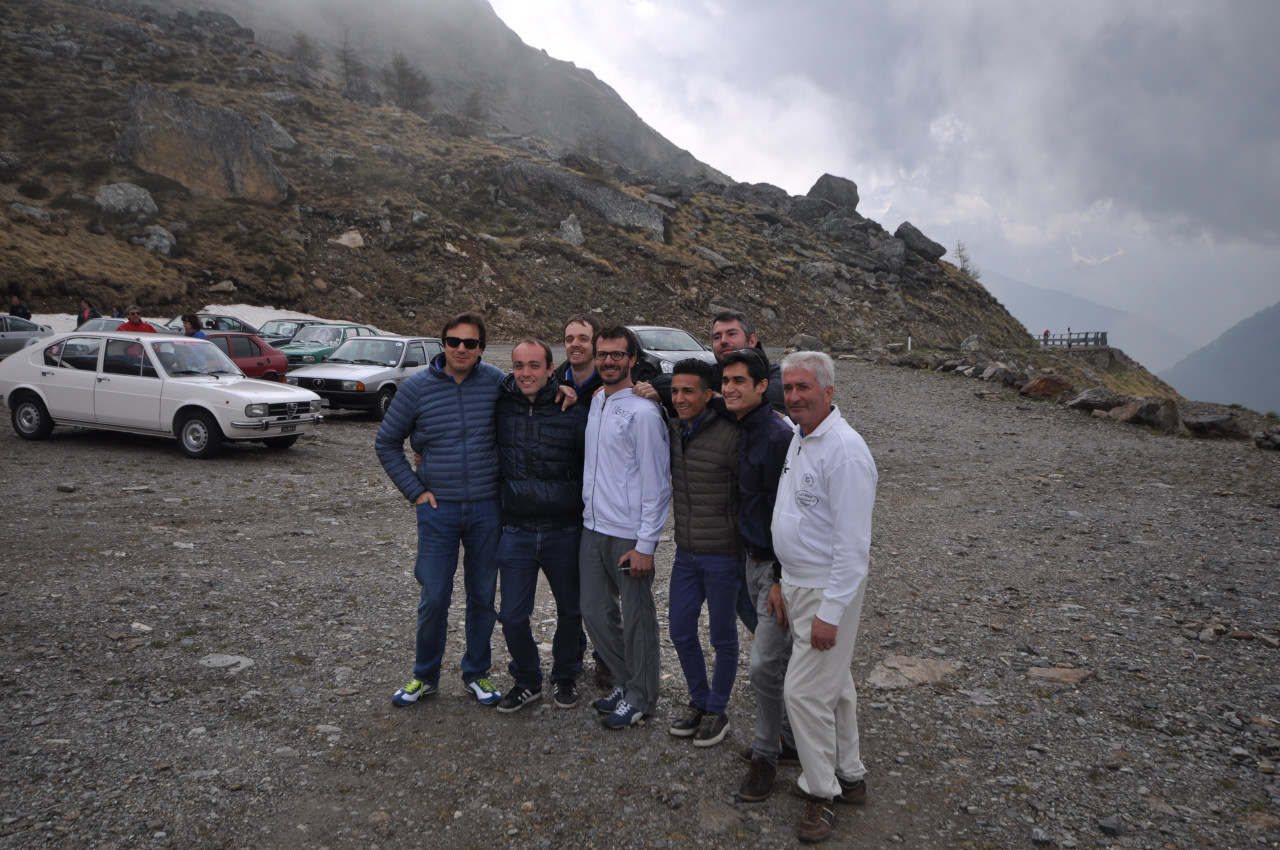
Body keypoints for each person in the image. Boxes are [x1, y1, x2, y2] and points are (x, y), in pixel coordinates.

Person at [376, 312, 507, 709]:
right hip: (438, 510)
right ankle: (424, 676)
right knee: (434, 597)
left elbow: (535, 397)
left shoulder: (498, 383)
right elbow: (386, 443)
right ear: (442, 344)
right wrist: (415, 491)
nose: (461, 349)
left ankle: (477, 673)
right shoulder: (416, 388)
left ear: (481, 348)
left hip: (487, 508)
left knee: (482, 596)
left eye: (470, 343)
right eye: (453, 341)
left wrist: (564, 389)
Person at [772, 351, 877, 844]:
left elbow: (854, 549)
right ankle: (849, 776)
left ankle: (821, 792)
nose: (794, 397)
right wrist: (782, 579)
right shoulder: (801, 437)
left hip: (826, 589)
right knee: (835, 687)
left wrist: (830, 612)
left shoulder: (846, 452)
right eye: (789, 388)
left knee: (803, 692)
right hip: (799, 584)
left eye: (804, 388)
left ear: (829, 392)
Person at [581, 325, 671, 730]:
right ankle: (627, 681)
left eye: (617, 354)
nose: (608, 361)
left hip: (629, 532)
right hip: (593, 525)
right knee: (594, 612)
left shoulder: (644, 412)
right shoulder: (598, 400)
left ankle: (642, 696)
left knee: (637, 618)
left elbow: (658, 483)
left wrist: (646, 543)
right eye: (602, 354)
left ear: (632, 359)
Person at [493, 338, 590, 713]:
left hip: (564, 529)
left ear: (552, 369)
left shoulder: (573, 410)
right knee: (512, 615)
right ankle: (527, 680)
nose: (526, 373)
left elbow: (592, 465)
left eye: (535, 365)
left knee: (571, 609)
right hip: (516, 529)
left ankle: (566, 673)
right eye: (519, 366)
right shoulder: (501, 405)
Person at [722, 348, 802, 800]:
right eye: (726, 381)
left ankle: (765, 757)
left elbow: (786, 514)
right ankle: (788, 738)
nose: (730, 388)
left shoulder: (775, 437)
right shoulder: (742, 426)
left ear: (761, 386)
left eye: (740, 381)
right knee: (777, 659)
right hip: (749, 560)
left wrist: (777, 578)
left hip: (773, 567)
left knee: (763, 665)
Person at [665, 358, 741, 747]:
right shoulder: (674, 428)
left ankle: (717, 708)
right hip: (685, 553)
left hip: (724, 554)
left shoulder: (730, 435)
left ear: (708, 394)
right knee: (680, 629)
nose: (679, 398)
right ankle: (698, 700)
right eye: (674, 391)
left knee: (722, 635)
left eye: (688, 391)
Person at [558, 313, 615, 690]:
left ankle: (607, 658)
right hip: (565, 502)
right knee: (571, 589)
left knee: (603, 589)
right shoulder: (553, 382)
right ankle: (573, 653)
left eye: (583, 338)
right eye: (569, 338)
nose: (575, 344)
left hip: (603, 503)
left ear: (595, 344)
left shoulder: (612, 384)